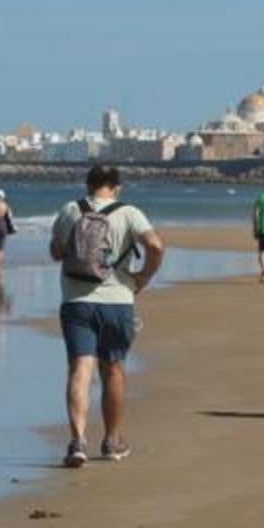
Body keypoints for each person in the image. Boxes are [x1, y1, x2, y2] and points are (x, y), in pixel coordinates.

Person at [50, 165, 165, 467]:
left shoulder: (70, 210)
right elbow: (155, 245)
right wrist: (143, 277)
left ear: (88, 185)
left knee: (80, 369)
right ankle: (112, 441)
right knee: (113, 369)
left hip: (76, 301)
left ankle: (77, 441)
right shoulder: (129, 213)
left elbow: (55, 252)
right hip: (118, 301)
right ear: (116, 187)